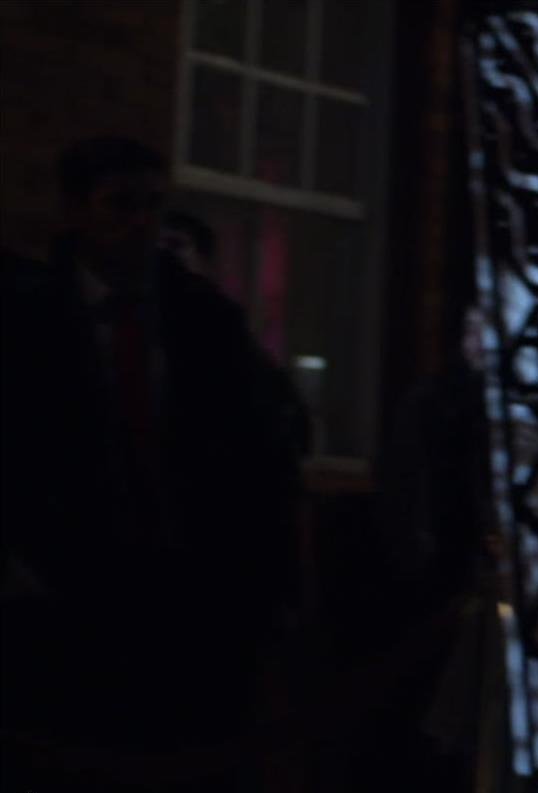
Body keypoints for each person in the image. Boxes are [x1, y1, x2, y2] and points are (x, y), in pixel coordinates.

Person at [1, 137, 304, 787]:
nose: (141, 224)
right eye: (121, 205)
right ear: (76, 211)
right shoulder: (25, 317)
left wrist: (264, 588)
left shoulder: (205, 319)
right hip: (63, 602)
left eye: (153, 206)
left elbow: (263, 457)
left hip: (191, 607)